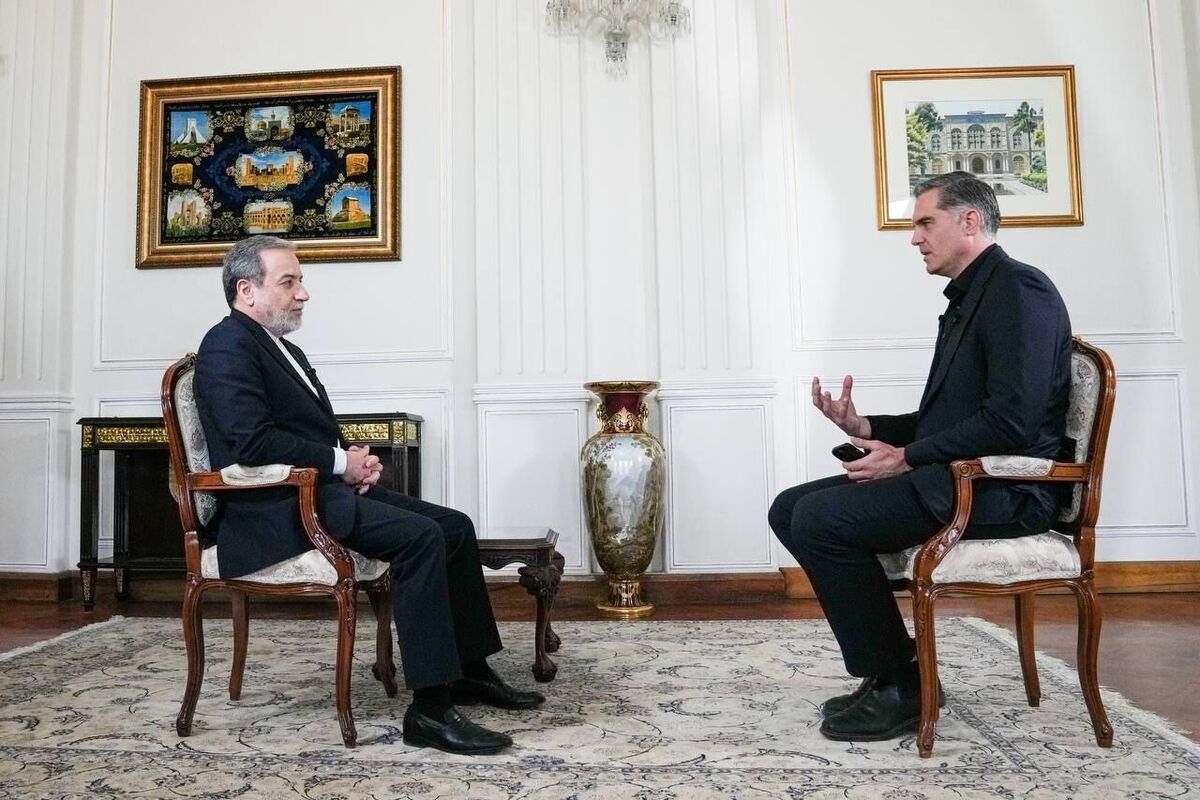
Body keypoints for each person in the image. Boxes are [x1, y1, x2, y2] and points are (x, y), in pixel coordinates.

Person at [194, 235, 544, 755]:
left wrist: (349, 464)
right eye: (288, 282)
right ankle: (429, 711)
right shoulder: (226, 345)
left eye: (300, 281)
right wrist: (339, 463)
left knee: (454, 526)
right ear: (247, 290)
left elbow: (303, 432)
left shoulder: (282, 347)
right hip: (272, 510)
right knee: (420, 538)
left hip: (315, 494)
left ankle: (469, 671)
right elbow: (251, 442)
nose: (303, 293)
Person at [768, 172, 1073, 742]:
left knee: (820, 520)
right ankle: (896, 670)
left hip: (1004, 489)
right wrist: (866, 427)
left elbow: (1012, 422)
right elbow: (950, 420)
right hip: (955, 477)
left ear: (970, 221)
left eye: (925, 223)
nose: (915, 237)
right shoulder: (972, 297)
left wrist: (906, 456)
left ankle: (901, 683)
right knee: (789, 508)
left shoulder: (1019, 290)